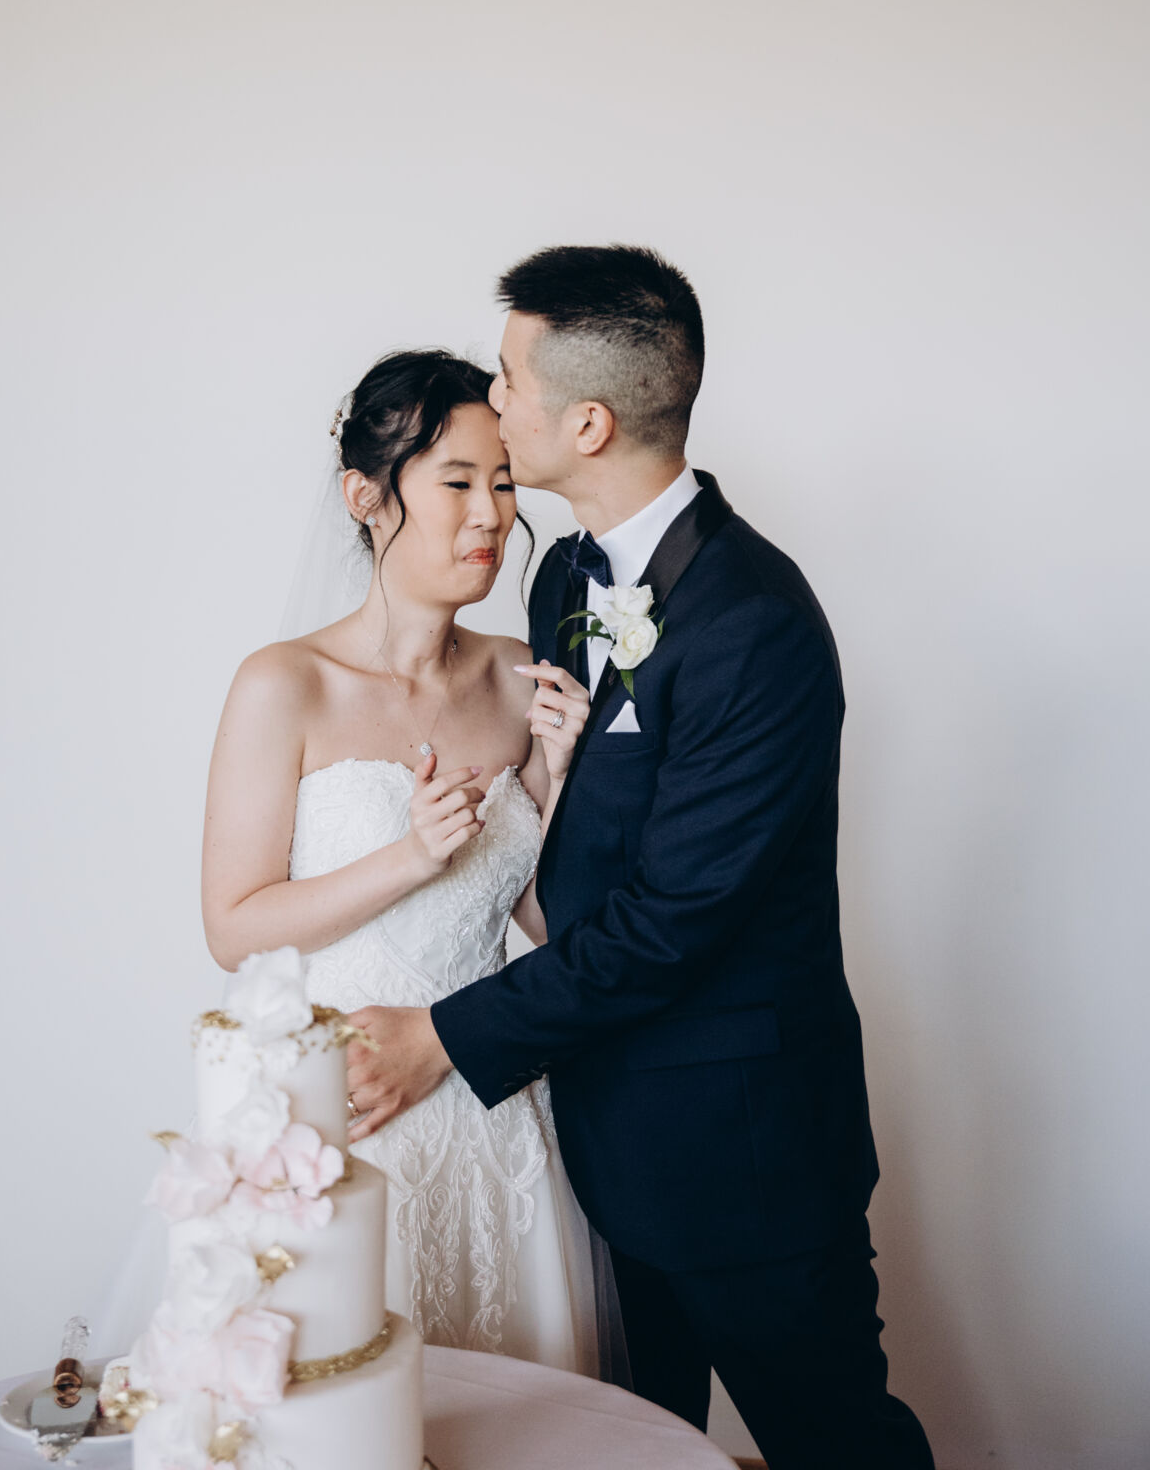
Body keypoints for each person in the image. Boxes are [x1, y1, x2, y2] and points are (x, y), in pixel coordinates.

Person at [343, 245, 935, 1469]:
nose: (493, 399)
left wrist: (442, 1034)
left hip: (742, 1150)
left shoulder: (754, 623)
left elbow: (672, 919)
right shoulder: (563, 578)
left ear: (588, 424)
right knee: (629, 1447)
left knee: (837, 1445)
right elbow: (575, 839)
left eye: (509, 379)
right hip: (595, 1139)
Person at [197, 347, 611, 1374]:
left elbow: (542, 923)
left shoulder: (520, 677)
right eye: (456, 483)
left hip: (491, 1103)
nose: (490, 516)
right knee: (348, 1393)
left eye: (503, 484)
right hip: (349, 1107)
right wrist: (407, 857)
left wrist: (562, 779)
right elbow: (232, 926)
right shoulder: (284, 685)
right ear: (365, 497)